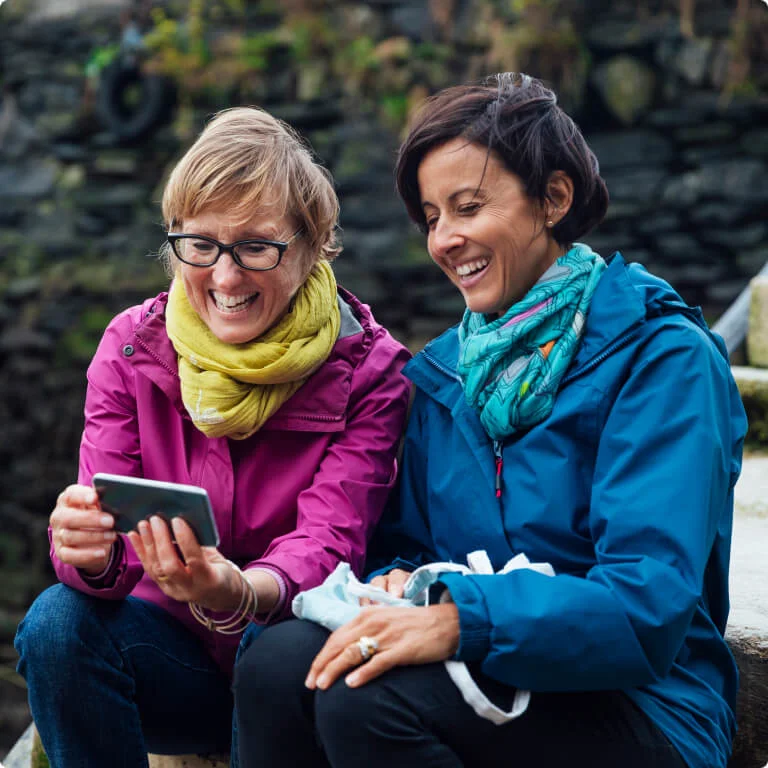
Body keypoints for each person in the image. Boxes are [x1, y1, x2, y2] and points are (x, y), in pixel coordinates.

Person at [233, 73, 747, 768]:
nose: (445, 239)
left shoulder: (665, 361)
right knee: (276, 662)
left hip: (643, 703)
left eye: (468, 206)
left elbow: (644, 605)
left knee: (365, 695)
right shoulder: (446, 374)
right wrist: (391, 580)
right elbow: (408, 545)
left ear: (553, 199)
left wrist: (462, 619)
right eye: (432, 216)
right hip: (487, 670)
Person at [14, 106, 411, 767]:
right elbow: (105, 554)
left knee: (273, 650)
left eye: (256, 247)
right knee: (56, 623)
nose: (224, 278)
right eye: (199, 245)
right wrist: (87, 551)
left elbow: (330, 537)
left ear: (313, 247)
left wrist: (241, 592)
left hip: (296, 670)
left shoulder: (371, 371)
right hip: (170, 659)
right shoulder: (130, 347)